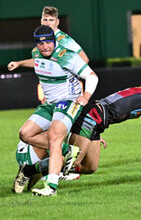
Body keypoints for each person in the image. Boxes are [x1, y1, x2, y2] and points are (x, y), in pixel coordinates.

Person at [13, 86, 141, 192]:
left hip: (98, 123)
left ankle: (44, 165)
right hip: (91, 117)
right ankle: (30, 169)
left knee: (90, 167)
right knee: (73, 159)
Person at [10, 25, 98, 196]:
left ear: (54, 41)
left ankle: (51, 187)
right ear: (37, 44)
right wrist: (20, 63)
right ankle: (66, 150)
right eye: (41, 44)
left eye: (49, 43)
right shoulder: (36, 53)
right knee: (25, 134)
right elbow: (36, 62)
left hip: (67, 102)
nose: (45, 47)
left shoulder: (67, 56)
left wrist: (86, 96)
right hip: (49, 104)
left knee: (54, 138)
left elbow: (92, 76)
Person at [8, 6, 89, 71]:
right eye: (45, 20)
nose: (47, 23)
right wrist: (18, 63)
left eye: (51, 20)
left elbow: (84, 59)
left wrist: (66, 75)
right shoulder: (42, 37)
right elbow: (39, 62)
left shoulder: (64, 40)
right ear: (41, 21)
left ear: (57, 22)